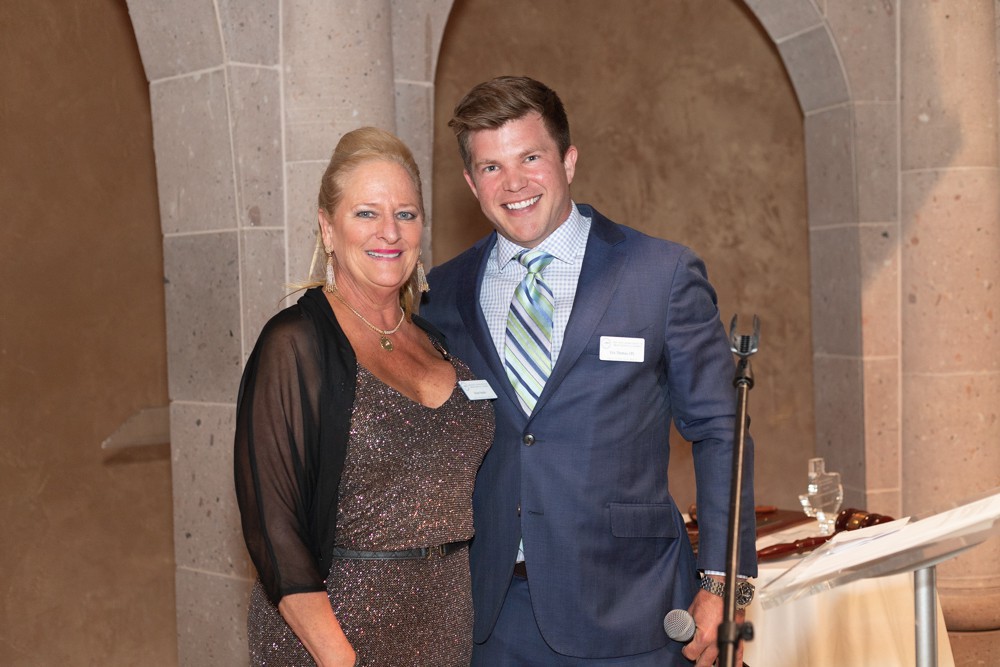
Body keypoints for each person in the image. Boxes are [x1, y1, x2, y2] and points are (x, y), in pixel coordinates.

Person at [420, 76, 757, 666]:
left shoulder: (660, 274)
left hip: (632, 605)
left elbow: (720, 431)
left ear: (568, 160)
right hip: (492, 617)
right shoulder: (442, 294)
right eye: (492, 167)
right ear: (472, 183)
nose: (514, 183)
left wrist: (726, 584)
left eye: (531, 158)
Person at [234, 126, 494, 666]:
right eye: (366, 213)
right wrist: (339, 659)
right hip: (331, 640)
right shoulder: (296, 343)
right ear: (328, 229)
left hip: (443, 632)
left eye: (406, 214)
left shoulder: (438, 343)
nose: (389, 232)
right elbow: (274, 530)